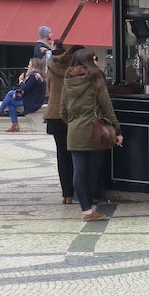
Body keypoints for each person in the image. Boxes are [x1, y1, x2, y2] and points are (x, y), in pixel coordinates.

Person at [60, 48, 122, 222]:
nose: (96, 61)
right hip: (95, 131)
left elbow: (62, 111)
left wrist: (73, 124)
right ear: (88, 61)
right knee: (92, 171)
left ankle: (86, 210)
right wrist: (116, 130)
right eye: (94, 58)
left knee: (78, 171)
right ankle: (90, 208)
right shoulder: (96, 78)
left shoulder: (68, 80)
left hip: (74, 131)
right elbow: (107, 107)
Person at [44, 42, 82, 204]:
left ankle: (67, 194)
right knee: (78, 154)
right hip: (72, 115)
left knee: (62, 155)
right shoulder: (77, 71)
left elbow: (48, 91)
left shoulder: (52, 68)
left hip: (54, 115)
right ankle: (81, 191)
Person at [0, 58, 47, 132]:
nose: (28, 66)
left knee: (10, 93)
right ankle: (14, 124)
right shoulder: (39, 76)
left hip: (33, 102)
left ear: (34, 66)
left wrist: (21, 81)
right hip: (35, 100)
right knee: (11, 103)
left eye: (29, 64)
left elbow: (24, 89)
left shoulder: (34, 77)